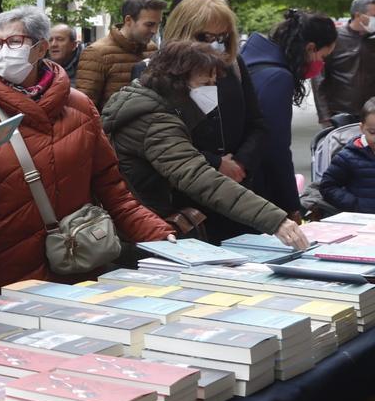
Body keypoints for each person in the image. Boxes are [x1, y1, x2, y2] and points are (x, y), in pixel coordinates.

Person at [0, 6, 174, 298]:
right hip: (2, 267)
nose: (3, 51)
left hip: (76, 265)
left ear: (40, 47)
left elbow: (111, 187)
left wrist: (158, 234)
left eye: (14, 42)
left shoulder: (80, 107)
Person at [102, 41, 309, 249]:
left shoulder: (153, 107)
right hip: (142, 235)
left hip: (143, 226)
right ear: (177, 82)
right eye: (205, 83)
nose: (212, 90)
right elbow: (200, 178)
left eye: (214, 82)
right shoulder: (155, 123)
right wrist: (274, 220)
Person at [160, 0, 271, 239]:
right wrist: (217, 164)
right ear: (183, 32)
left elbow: (257, 124)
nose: (215, 45)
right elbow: (160, 140)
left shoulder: (234, 65)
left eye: (222, 37)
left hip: (238, 196)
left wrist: (240, 164)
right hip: (186, 204)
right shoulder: (156, 73)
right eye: (205, 37)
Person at [240, 10, 338, 216]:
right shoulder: (277, 78)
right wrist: (292, 205)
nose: (321, 65)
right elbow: (276, 148)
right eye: (323, 57)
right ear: (310, 48)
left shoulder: (251, 60)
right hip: (255, 187)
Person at [75, 0, 165, 109]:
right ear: (128, 20)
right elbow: (85, 107)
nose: (155, 30)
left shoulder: (152, 49)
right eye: (149, 24)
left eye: (158, 24)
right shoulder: (96, 53)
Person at [313, 0, 375, 125]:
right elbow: (319, 79)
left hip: (371, 115)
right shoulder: (334, 39)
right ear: (358, 16)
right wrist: (324, 116)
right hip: (341, 114)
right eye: (373, 15)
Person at [320, 98, 375, 213]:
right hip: (360, 219)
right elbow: (328, 186)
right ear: (362, 129)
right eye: (373, 132)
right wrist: (354, 204)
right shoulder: (348, 157)